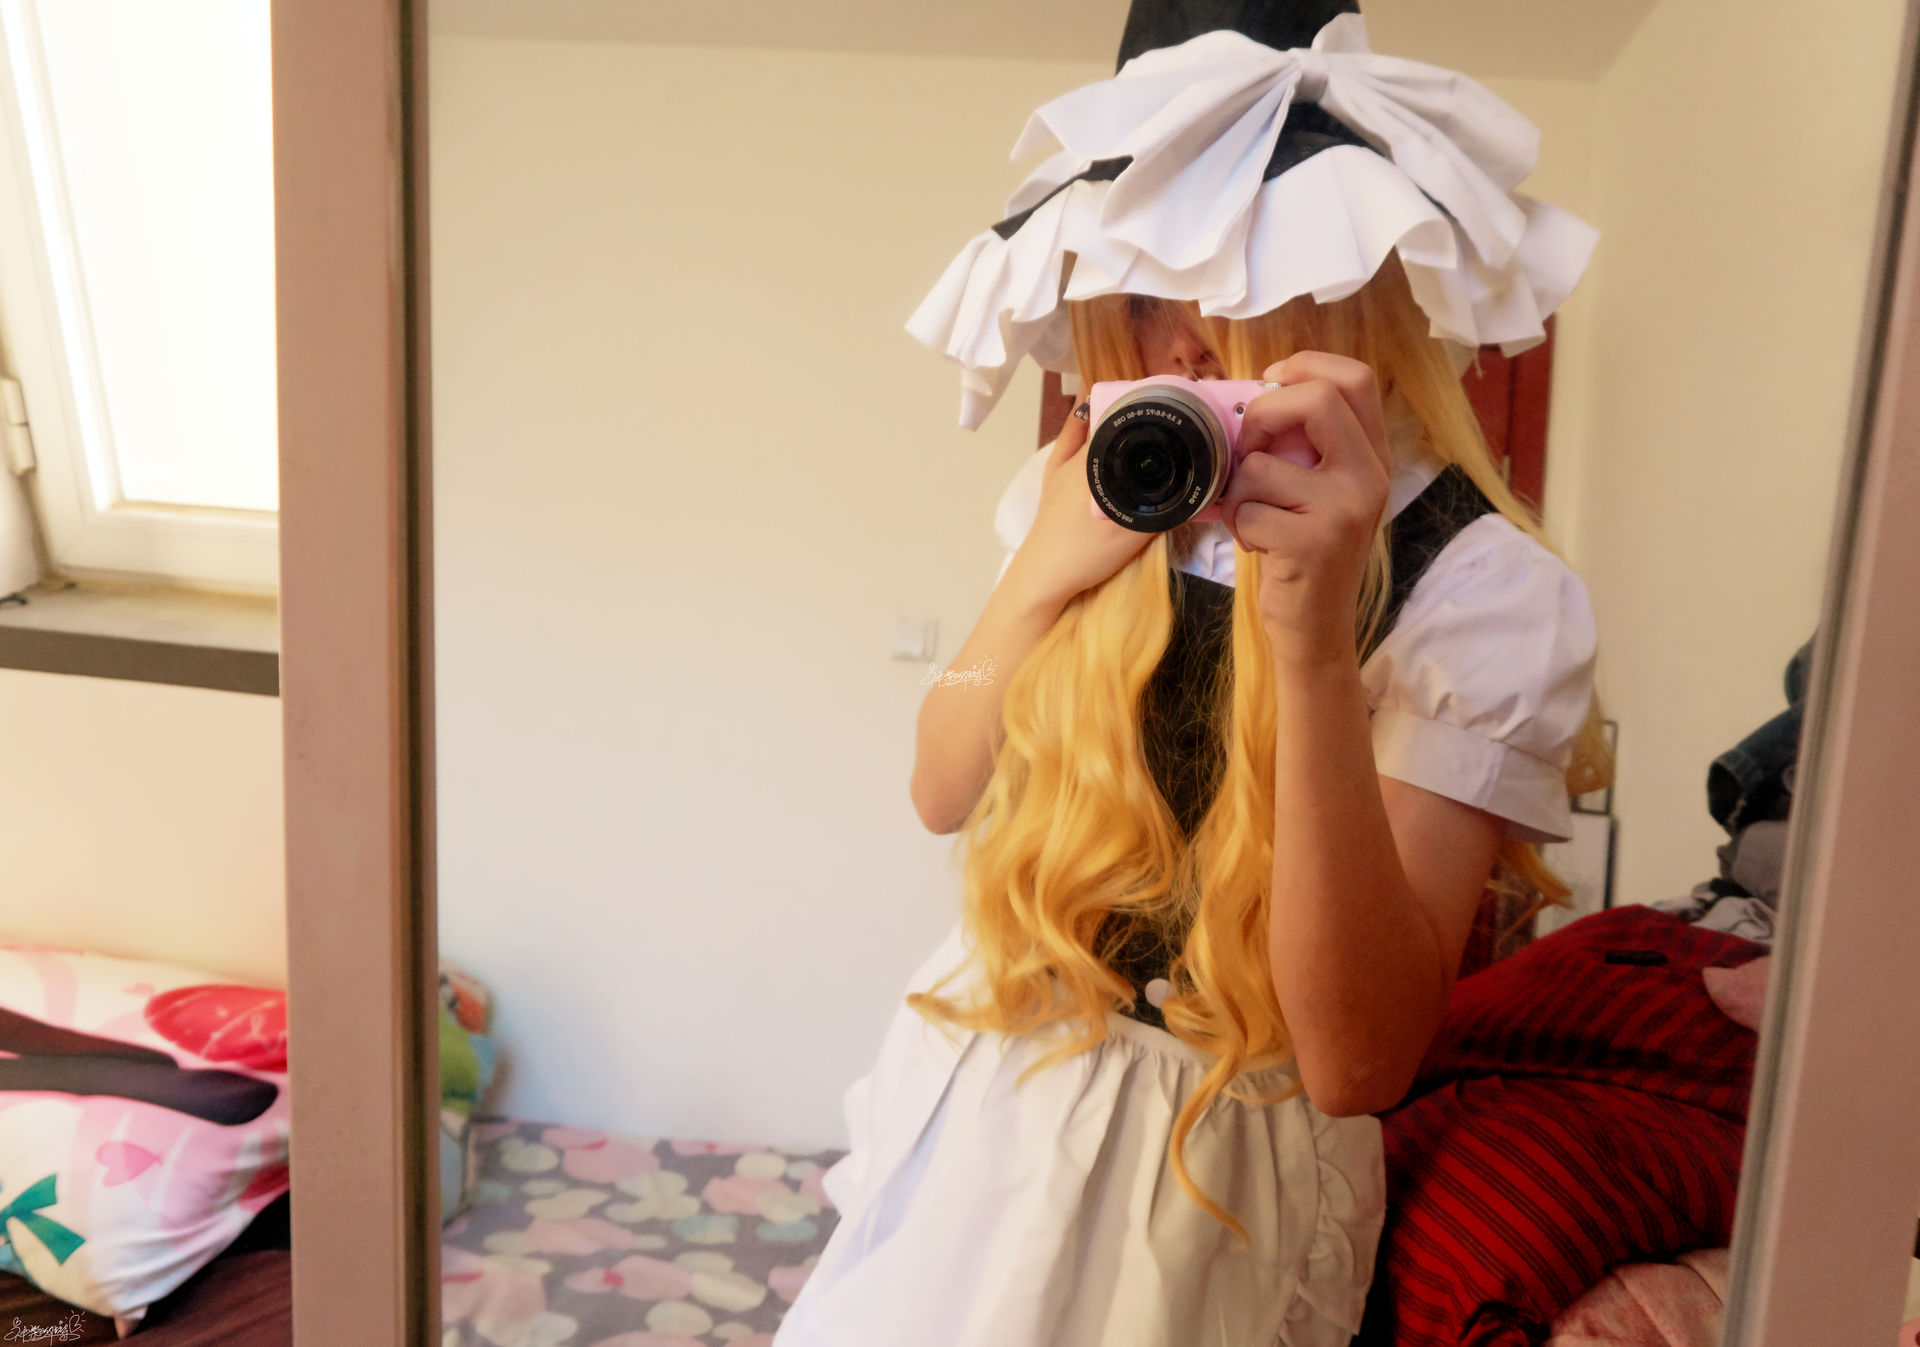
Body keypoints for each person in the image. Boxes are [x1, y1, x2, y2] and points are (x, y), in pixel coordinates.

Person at [772, 3, 1609, 1343]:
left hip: (1215, 1178)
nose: (1174, 342)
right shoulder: (1094, 487)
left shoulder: (1483, 590)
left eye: (1219, 274)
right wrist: (1041, 575)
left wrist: (1313, 645)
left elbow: (1356, 1061)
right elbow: (941, 788)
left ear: (1338, 270)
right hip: (987, 1088)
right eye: (1139, 289)